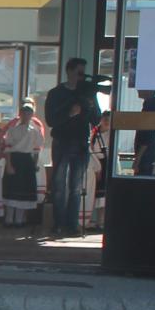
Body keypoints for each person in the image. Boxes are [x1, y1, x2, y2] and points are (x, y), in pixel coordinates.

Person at [44, 57, 102, 237]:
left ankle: (72, 224)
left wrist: (90, 103)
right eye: (79, 73)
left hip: (81, 143)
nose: (82, 77)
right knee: (59, 185)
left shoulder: (87, 93)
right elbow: (50, 120)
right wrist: (70, 113)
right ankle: (58, 224)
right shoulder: (56, 93)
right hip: (62, 142)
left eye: (83, 73)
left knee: (76, 187)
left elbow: (97, 119)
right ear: (69, 71)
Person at [3, 101, 46, 229]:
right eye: (24, 113)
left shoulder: (35, 132)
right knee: (12, 190)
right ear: (20, 114)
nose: (26, 115)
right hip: (15, 159)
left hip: (27, 161)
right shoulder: (13, 130)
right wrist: (9, 165)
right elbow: (8, 149)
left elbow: (36, 150)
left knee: (23, 192)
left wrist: (34, 164)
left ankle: (19, 219)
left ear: (32, 115)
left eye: (29, 113)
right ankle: (9, 218)